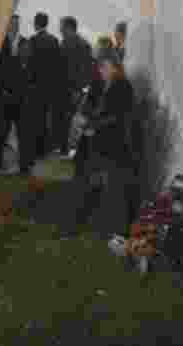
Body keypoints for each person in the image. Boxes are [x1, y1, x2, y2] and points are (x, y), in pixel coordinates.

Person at [81, 51, 136, 237]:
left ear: (114, 66)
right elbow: (95, 108)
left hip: (114, 143)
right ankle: (99, 222)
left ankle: (114, 228)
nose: (100, 71)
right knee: (98, 182)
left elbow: (120, 117)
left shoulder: (123, 86)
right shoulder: (104, 83)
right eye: (99, 67)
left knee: (114, 186)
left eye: (104, 67)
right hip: (100, 141)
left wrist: (96, 124)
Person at [23, 12, 67, 172]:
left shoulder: (32, 41)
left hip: (33, 87)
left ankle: (34, 150)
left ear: (36, 24)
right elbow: (58, 66)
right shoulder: (54, 41)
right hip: (48, 88)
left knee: (32, 120)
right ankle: (42, 149)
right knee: (43, 118)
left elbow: (28, 64)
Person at [0, 19, 28, 172]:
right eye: (12, 24)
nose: (14, 27)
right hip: (2, 93)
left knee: (21, 131)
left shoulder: (23, 41)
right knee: (0, 132)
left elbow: (26, 63)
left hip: (18, 94)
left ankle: (23, 165)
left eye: (16, 24)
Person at [59, 17, 94, 155]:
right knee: (66, 120)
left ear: (68, 27)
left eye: (61, 27)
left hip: (70, 89)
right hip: (73, 90)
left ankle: (65, 149)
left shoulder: (72, 43)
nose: (60, 29)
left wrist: (77, 89)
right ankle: (65, 148)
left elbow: (85, 70)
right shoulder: (83, 43)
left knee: (66, 120)